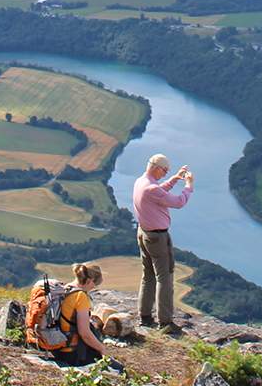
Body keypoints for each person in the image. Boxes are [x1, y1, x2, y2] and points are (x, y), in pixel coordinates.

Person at [131, 152, 193, 333]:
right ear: (156, 168)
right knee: (164, 277)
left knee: (148, 274)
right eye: (165, 170)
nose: (165, 173)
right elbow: (179, 202)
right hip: (158, 238)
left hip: (143, 233)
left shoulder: (141, 182)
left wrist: (175, 179)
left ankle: (145, 316)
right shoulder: (152, 189)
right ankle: (165, 322)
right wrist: (188, 186)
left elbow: (159, 192)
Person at [49, 263, 116, 368]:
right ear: (90, 280)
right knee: (115, 367)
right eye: (95, 284)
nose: (94, 287)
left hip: (57, 347)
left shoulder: (65, 289)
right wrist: (102, 349)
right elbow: (84, 333)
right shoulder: (80, 297)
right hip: (72, 352)